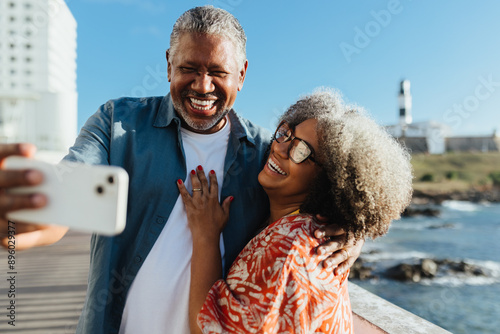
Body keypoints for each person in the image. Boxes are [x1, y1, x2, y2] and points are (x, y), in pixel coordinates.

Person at [0, 6, 363, 334]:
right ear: (169, 63)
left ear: (242, 74)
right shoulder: (117, 123)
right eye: (188, 68)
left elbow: (325, 189)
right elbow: (67, 189)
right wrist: (29, 213)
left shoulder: (267, 152)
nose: (202, 87)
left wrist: (351, 230)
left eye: (218, 73)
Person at [178, 89, 413, 333]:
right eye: (286, 135)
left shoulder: (291, 248)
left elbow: (207, 329)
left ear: (331, 181)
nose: (280, 149)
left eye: (301, 152)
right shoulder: (297, 228)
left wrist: (205, 235)